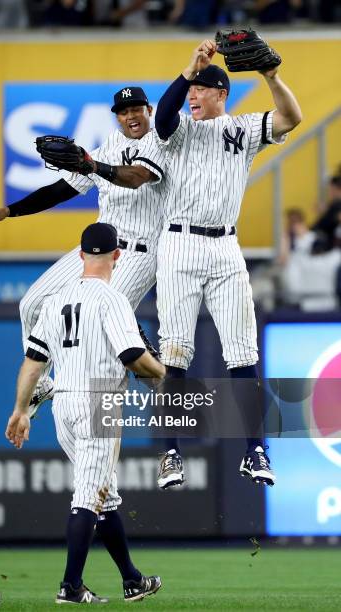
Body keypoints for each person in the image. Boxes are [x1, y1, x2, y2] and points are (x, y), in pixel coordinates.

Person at [0, 86, 185, 490]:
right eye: (123, 111)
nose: (131, 116)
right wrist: (9, 211)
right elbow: (62, 189)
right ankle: (42, 384)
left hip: (137, 253)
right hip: (95, 249)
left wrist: (93, 165)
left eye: (136, 109)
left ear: (148, 110)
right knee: (32, 303)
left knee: (112, 342)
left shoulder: (161, 141)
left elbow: (134, 178)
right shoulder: (108, 143)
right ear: (116, 116)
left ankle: (166, 448)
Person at [154, 38, 302, 486]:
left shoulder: (241, 128)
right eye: (191, 89)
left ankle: (255, 451)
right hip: (178, 245)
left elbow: (293, 117)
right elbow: (162, 119)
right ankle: (171, 455)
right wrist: (189, 68)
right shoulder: (179, 128)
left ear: (221, 93)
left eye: (201, 88)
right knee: (175, 354)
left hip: (225, 249)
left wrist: (271, 76)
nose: (193, 95)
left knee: (243, 354)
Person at [5, 223, 165, 604]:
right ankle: (70, 586)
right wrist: (162, 374)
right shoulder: (112, 300)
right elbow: (132, 358)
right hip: (99, 403)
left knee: (102, 495)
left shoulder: (58, 299)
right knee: (88, 498)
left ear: (79, 255)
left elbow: (33, 362)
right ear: (117, 255)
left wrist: (21, 410)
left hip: (64, 403)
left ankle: (131, 580)